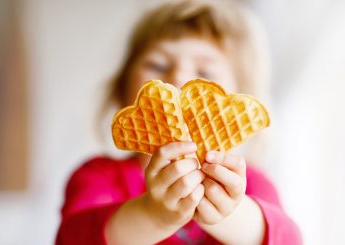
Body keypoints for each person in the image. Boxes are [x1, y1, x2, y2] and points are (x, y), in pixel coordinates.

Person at [56, 0, 302, 244]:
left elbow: (289, 239)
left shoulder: (251, 183)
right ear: (122, 90)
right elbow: (72, 238)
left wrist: (229, 213)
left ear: (239, 100)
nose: (179, 77)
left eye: (205, 73)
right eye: (158, 65)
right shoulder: (100, 176)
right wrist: (154, 216)